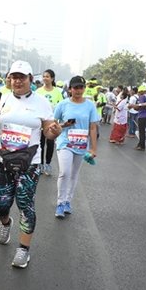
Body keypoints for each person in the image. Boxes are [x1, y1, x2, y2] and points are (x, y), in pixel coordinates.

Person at [0, 60, 61, 268]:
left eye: (21, 77)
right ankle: (6, 223)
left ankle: (23, 249)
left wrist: (53, 132)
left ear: (30, 80)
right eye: (14, 77)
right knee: (1, 205)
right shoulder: (2, 98)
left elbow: (47, 132)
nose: (17, 81)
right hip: (3, 161)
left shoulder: (42, 102)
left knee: (25, 204)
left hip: (29, 163)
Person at [53, 76, 99, 218]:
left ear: (84, 88)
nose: (78, 90)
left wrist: (93, 148)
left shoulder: (90, 105)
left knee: (74, 174)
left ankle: (68, 201)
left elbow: (92, 128)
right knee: (64, 172)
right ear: (70, 89)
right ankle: (60, 203)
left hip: (81, 144)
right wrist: (64, 125)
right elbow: (53, 124)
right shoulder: (62, 105)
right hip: (65, 142)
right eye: (75, 87)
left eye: (81, 87)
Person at [35, 69, 64, 176]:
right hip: (41, 122)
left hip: (53, 121)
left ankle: (48, 164)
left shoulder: (58, 92)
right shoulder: (38, 91)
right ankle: (40, 164)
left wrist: (59, 121)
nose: (45, 78)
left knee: (50, 143)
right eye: (44, 76)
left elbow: (61, 106)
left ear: (52, 78)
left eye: (47, 76)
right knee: (40, 144)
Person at [135, 85, 146, 151]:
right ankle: (140, 144)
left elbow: (141, 105)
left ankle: (142, 146)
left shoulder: (142, 96)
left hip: (142, 115)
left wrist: (135, 107)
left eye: (139, 92)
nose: (138, 94)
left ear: (141, 92)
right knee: (143, 131)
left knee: (141, 132)